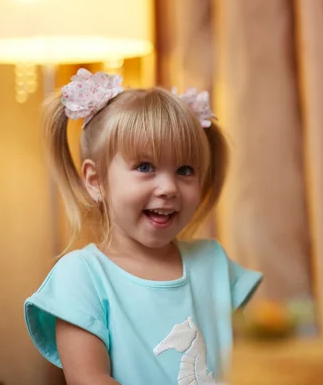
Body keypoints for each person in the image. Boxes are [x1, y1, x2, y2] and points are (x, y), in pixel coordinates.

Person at [23, 68, 262, 385]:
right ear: (96, 180)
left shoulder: (213, 262)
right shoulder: (81, 276)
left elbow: (248, 364)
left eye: (185, 169)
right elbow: (89, 379)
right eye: (145, 167)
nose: (168, 187)